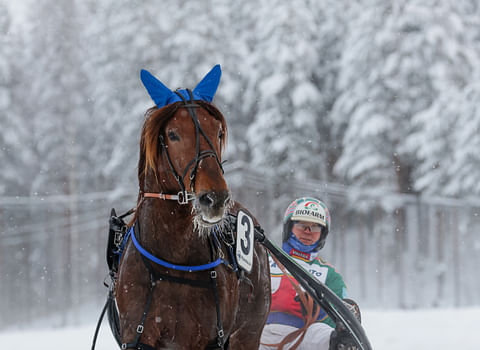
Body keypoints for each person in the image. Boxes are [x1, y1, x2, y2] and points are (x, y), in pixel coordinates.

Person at [259, 197, 360, 350]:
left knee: (328, 335)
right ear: (289, 227)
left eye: (315, 227)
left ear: (322, 233)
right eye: (302, 225)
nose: (308, 232)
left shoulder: (329, 274)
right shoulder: (262, 259)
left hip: (304, 338)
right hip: (259, 333)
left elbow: (336, 321)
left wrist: (318, 312)